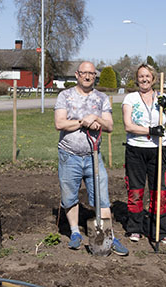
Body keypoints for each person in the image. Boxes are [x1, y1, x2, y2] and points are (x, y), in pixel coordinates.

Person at [54, 61, 128, 256]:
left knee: (102, 197)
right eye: (84, 73)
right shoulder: (65, 96)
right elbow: (59, 123)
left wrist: (95, 118)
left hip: (93, 156)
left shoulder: (102, 98)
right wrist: (82, 122)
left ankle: (108, 236)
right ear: (77, 75)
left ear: (95, 76)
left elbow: (110, 126)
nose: (87, 77)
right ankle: (75, 233)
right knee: (69, 196)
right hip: (69, 156)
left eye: (92, 74)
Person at [121, 63, 166, 244]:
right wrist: (150, 130)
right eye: (141, 76)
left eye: (147, 76)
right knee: (136, 190)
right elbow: (128, 126)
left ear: (153, 79)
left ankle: (160, 231)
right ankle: (135, 229)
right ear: (137, 79)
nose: (144, 79)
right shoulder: (130, 99)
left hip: (158, 150)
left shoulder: (163, 97)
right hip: (136, 150)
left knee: (159, 191)